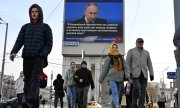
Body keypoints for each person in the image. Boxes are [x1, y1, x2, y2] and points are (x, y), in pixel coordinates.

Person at [9, 4, 53, 108]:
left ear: (40, 13)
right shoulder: (25, 27)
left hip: (38, 58)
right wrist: (13, 51)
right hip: (27, 57)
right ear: (30, 13)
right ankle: (28, 102)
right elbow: (19, 41)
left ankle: (31, 101)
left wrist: (42, 54)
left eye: (36, 11)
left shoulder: (45, 27)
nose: (34, 13)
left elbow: (49, 44)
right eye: (32, 11)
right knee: (27, 79)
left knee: (34, 79)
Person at [99, 42, 130, 108]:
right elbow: (105, 69)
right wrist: (101, 79)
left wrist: (127, 75)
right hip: (111, 78)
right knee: (115, 92)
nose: (115, 48)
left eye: (116, 47)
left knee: (117, 93)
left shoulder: (121, 57)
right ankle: (117, 105)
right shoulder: (109, 58)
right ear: (111, 48)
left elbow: (125, 67)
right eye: (113, 47)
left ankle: (113, 105)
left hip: (120, 78)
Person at [126, 38, 154, 108]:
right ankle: (134, 103)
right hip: (134, 74)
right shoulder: (131, 51)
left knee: (143, 91)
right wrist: (128, 72)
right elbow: (127, 62)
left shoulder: (146, 53)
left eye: (142, 42)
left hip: (144, 75)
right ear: (136, 43)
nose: (140, 43)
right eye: (139, 42)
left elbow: (149, 64)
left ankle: (141, 106)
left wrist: (151, 74)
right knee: (137, 87)